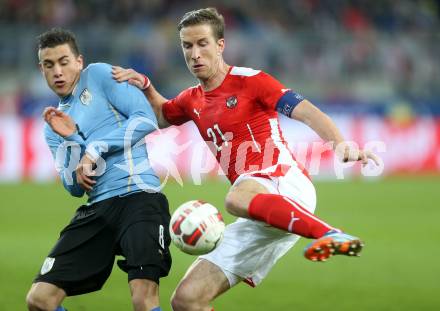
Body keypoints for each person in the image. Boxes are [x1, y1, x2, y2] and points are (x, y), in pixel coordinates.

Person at [112, 7, 381, 311]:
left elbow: (307, 112)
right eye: (187, 46)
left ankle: (329, 233)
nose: (195, 53)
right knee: (187, 300)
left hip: (284, 182)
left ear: (220, 45)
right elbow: (163, 116)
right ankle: (318, 231)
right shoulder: (191, 99)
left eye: (203, 43)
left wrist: (341, 144)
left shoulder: (251, 81)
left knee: (235, 196)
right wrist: (146, 86)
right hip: (257, 208)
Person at [26, 28, 171, 311]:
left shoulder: (100, 76)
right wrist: (72, 139)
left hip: (139, 197)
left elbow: (145, 120)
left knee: (143, 298)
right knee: (39, 300)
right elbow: (74, 188)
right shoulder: (53, 125)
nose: (57, 71)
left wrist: (94, 148)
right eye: (49, 64)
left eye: (64, 61)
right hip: (98, 210)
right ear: (41, 69)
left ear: (79, 61)